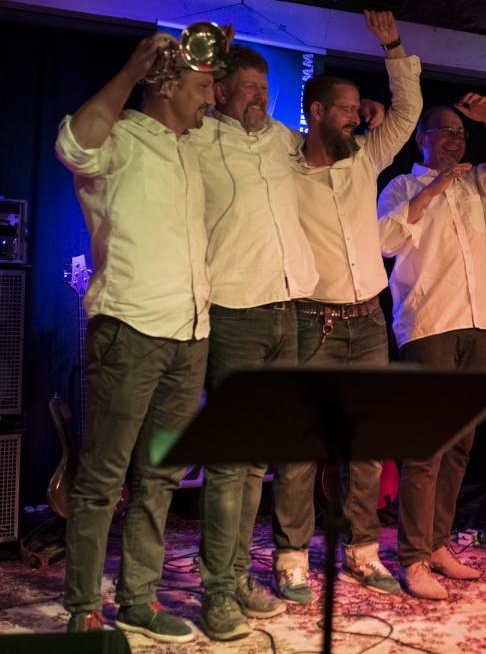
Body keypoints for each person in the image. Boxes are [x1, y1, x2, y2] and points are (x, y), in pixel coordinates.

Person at [54, 30, 221, 642]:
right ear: (167, 87)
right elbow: (72, 144)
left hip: (190, 334)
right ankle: (83, 608)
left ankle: (138, 600)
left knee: (160, 477)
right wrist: (132, 69)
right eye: (202, 87)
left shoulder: (192, 147)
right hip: (128, 329)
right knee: (103, 478)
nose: (212, 97)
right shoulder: (119, 136)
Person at [274, 10, 423, 602]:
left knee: (365, 446)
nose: (357, 117)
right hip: (311, 320)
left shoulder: (366, 157)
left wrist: (393, 46)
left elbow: (407, 112)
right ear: (315, 112)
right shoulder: (283, 166)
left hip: (368, 321)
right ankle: (291, 557)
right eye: (346, 109)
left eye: (359, 109)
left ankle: (363, 551)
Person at [377, 97, 486, 599]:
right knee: (428, 446)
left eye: (462, 134)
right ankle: (413, 557)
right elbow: (385, 241)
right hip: (431, 326)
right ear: (421, 138)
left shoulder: (475, 184)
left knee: (461, 443)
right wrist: (434, 188)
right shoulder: (403, 187)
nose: (455, 140)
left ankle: (438, 543)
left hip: (477, 323)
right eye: (445, 131)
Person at [187, 45, 317, 639]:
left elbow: (335, 151)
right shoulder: (198, 139)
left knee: (258, 457)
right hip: (235, 311)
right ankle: (217, 590)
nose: (260, 98)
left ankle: (237, 576)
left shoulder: (283, 140)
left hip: (288, 309)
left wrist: (359, 113)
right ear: (219, 91)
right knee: (229, 459)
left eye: (265, 89)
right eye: (248, 89)